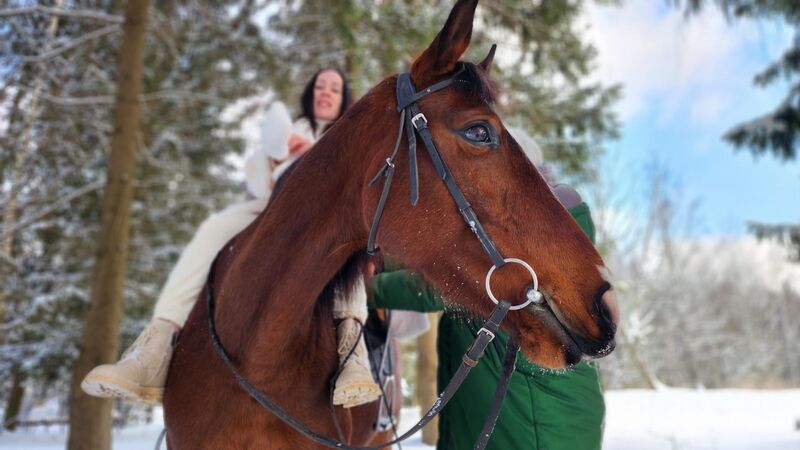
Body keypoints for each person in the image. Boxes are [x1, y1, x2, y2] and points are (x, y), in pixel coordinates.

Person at [81, 68, 382, 408]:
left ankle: (351, 354)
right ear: (311, 93)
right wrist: (275, 157)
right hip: (273, 210)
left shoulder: (348, 136)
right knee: (213, 228)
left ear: (344, 97)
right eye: (321, 86)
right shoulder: (291, 130)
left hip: (326, 220)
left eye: (334, 88)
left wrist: (313, 155)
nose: (326, 93)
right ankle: (156, 347)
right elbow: (258, 184)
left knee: (345, 249)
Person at [368, 128, 608, 449]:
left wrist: (365, 289)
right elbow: (437, 258)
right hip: (501, 414)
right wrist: (378, 257)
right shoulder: (495, 228)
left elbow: (445, 283)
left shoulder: (535, 229)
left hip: (533, 421)